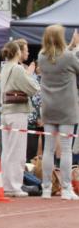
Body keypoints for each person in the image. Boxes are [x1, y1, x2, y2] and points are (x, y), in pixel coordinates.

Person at [37, 25, 79, 200]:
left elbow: (57, 55)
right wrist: (75, 47)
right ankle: (66, 188)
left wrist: (71, 46)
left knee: (49, 149)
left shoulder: (41, 56)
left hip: (49, 107)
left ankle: (46, 188)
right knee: (66, 149)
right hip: (67, 107)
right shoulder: (69, 57)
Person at [0, 40, 38, 197]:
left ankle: (7, 184)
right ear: (17, 52)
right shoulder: (17, 68)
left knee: (7, 150)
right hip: (17, 112)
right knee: (17, 151)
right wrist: (30, 74)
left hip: (6, 111)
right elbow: (33, 88)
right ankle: (15, 186)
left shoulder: (5, 67)